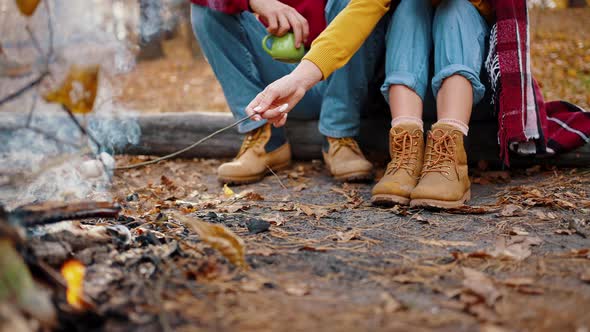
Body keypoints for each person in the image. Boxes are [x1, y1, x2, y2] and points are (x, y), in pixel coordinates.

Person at [246, 0, 590, 209]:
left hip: (474, 96)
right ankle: (406, 152)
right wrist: (300, 78)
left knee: (454, 8)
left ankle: (449, 156)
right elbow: (358, 15)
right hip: (405, 95)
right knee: (408, 8)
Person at [190, 0, 384, 185]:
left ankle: (340, 134)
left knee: (361, 5)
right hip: (283, 84)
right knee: (209, 8)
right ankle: (265, 138)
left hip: (350, 77)